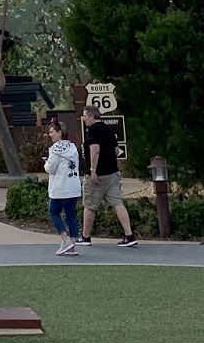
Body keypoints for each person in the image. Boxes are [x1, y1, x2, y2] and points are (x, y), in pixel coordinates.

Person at [75, 103, 138, 247]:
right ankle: (129, 235)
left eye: (84, 116)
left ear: (91, 116)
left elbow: (95, 150)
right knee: (117, 203)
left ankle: (85, 237)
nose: (83, 119)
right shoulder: (108, 130)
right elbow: (116, 150)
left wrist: (93, 170)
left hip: (97, 175)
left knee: (90, 205)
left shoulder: (92, 130)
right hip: (112, 173)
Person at [43, 119, 83, 254]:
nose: (50, 135)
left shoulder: (54, 149)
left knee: (53, 212)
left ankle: (65, 240)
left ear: (60, 132)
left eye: (52, 132)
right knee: (71, 215)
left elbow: (50, 168)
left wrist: (46, 163)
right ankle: (72, 244)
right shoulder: (73, 147)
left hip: (60, 187)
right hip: (73, 186)